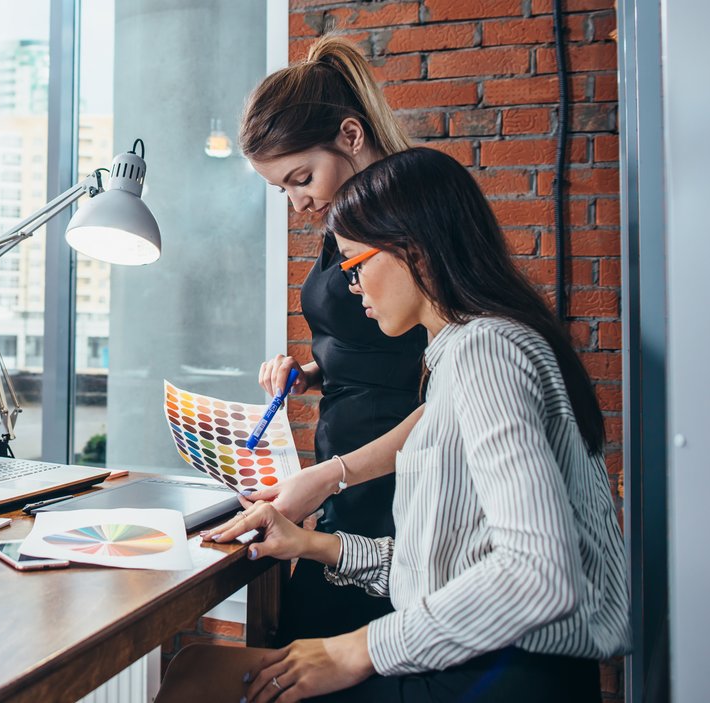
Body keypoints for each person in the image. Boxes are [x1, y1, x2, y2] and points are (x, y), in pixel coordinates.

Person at [196, 148, 629, 702]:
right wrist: (312, 544)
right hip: (490, 663)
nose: (353, 289)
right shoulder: (469, 353)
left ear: (413, 251)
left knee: (201, 680)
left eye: (354, 265)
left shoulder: (486, 351)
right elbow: (442, 568)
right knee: (202, 671)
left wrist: (357, 649)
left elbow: (537, 575)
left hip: (500, 674)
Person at [235, 36, 427, 648]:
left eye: (301, 178)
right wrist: (312, 372)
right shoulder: (343, 219)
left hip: (397, 474)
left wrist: (328, 479)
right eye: (282, 191)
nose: (298, 203)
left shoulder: (406, 221)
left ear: (350, 135)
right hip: (344, 474)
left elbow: (452, 391)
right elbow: (374, 344)